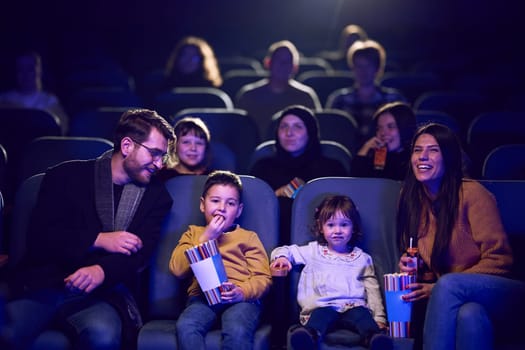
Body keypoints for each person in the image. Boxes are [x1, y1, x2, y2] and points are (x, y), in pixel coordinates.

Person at [2, 108, 175, 350]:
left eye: (163, 156)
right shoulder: (64, 176)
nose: (159, 164)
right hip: (43, 287)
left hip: (100, 296)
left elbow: (140, 255)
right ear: (127, 146)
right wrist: (97, 239)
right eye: (155, 153)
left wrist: (101, 270)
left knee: (102, 335)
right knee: (7, 332)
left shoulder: (157, 196)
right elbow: (41, 238)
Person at [396, 123, 525, 350]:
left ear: (449, 157)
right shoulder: (410, 199)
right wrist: (412, 266)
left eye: (433, 150)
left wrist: (442, 287)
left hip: (504, 293)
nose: (422, 157)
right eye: (417, 150)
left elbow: (500, 260)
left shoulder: (472, 194)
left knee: (449, 284)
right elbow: (430, 264)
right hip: (460, 298)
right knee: (470, 316)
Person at [270, 195, 391, 350]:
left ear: (353, 227)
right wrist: (282, 258)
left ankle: (374, 338)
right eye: (331, 225)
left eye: (344, 224)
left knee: (362, 315)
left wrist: (379, 318)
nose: (337, 231)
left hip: (353, 306)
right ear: (321, 227)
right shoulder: (313, 251)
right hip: (322, 306)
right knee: (321, 316)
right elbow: (286, 250)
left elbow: (372, 290)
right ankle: (309, 336)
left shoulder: (362, 258)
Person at [170, 170, 272, 350]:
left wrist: (242, 292)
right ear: (203, 205)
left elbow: (263, 278)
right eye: (215, 201)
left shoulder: (248, 237)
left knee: (237, 328)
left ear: (239, 210)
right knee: (186, 326)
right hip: (202, 299)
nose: (221, 208)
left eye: (230, 203)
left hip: (240, 299)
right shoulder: (193, 233)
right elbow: (178, 270)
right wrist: (205, 239)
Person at [249, 105, 348, 245]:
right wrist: (274, 196)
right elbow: (249, 209)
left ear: (310, 132)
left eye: (297, 127)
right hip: (270, 243)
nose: (289, 133)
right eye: (283, 126)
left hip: (322, 244)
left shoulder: (331, 168)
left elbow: (345, 210)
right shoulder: (262, 167)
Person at [235, 40, 321, 138]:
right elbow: (239, 133)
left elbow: (314, 133)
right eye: (279, 60)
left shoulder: (305, 97)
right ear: (268, 63)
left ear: (295, 67)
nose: (283, 65)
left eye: (287, 62)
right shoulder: (248, 96)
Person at [326, 39, 406, 143]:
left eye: (368, 65)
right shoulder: (339, 99)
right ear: (352, 68)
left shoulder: (394, 99)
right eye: (359, 66)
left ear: (377, 68)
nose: (363, 71)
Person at [0, 51, 69, 134]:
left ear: (39, 71)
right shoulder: (4, 99)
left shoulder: (50, 101)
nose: (25, 74)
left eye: (30, 68)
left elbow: (61, 130)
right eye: (21, 69)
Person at [351, 101, 416, 180]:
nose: (383, 133)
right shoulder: (377, 155)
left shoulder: (415, 159)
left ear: (405, 128)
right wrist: (365, 149)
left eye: (391, 126)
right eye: (379, 128)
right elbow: (355, 185)